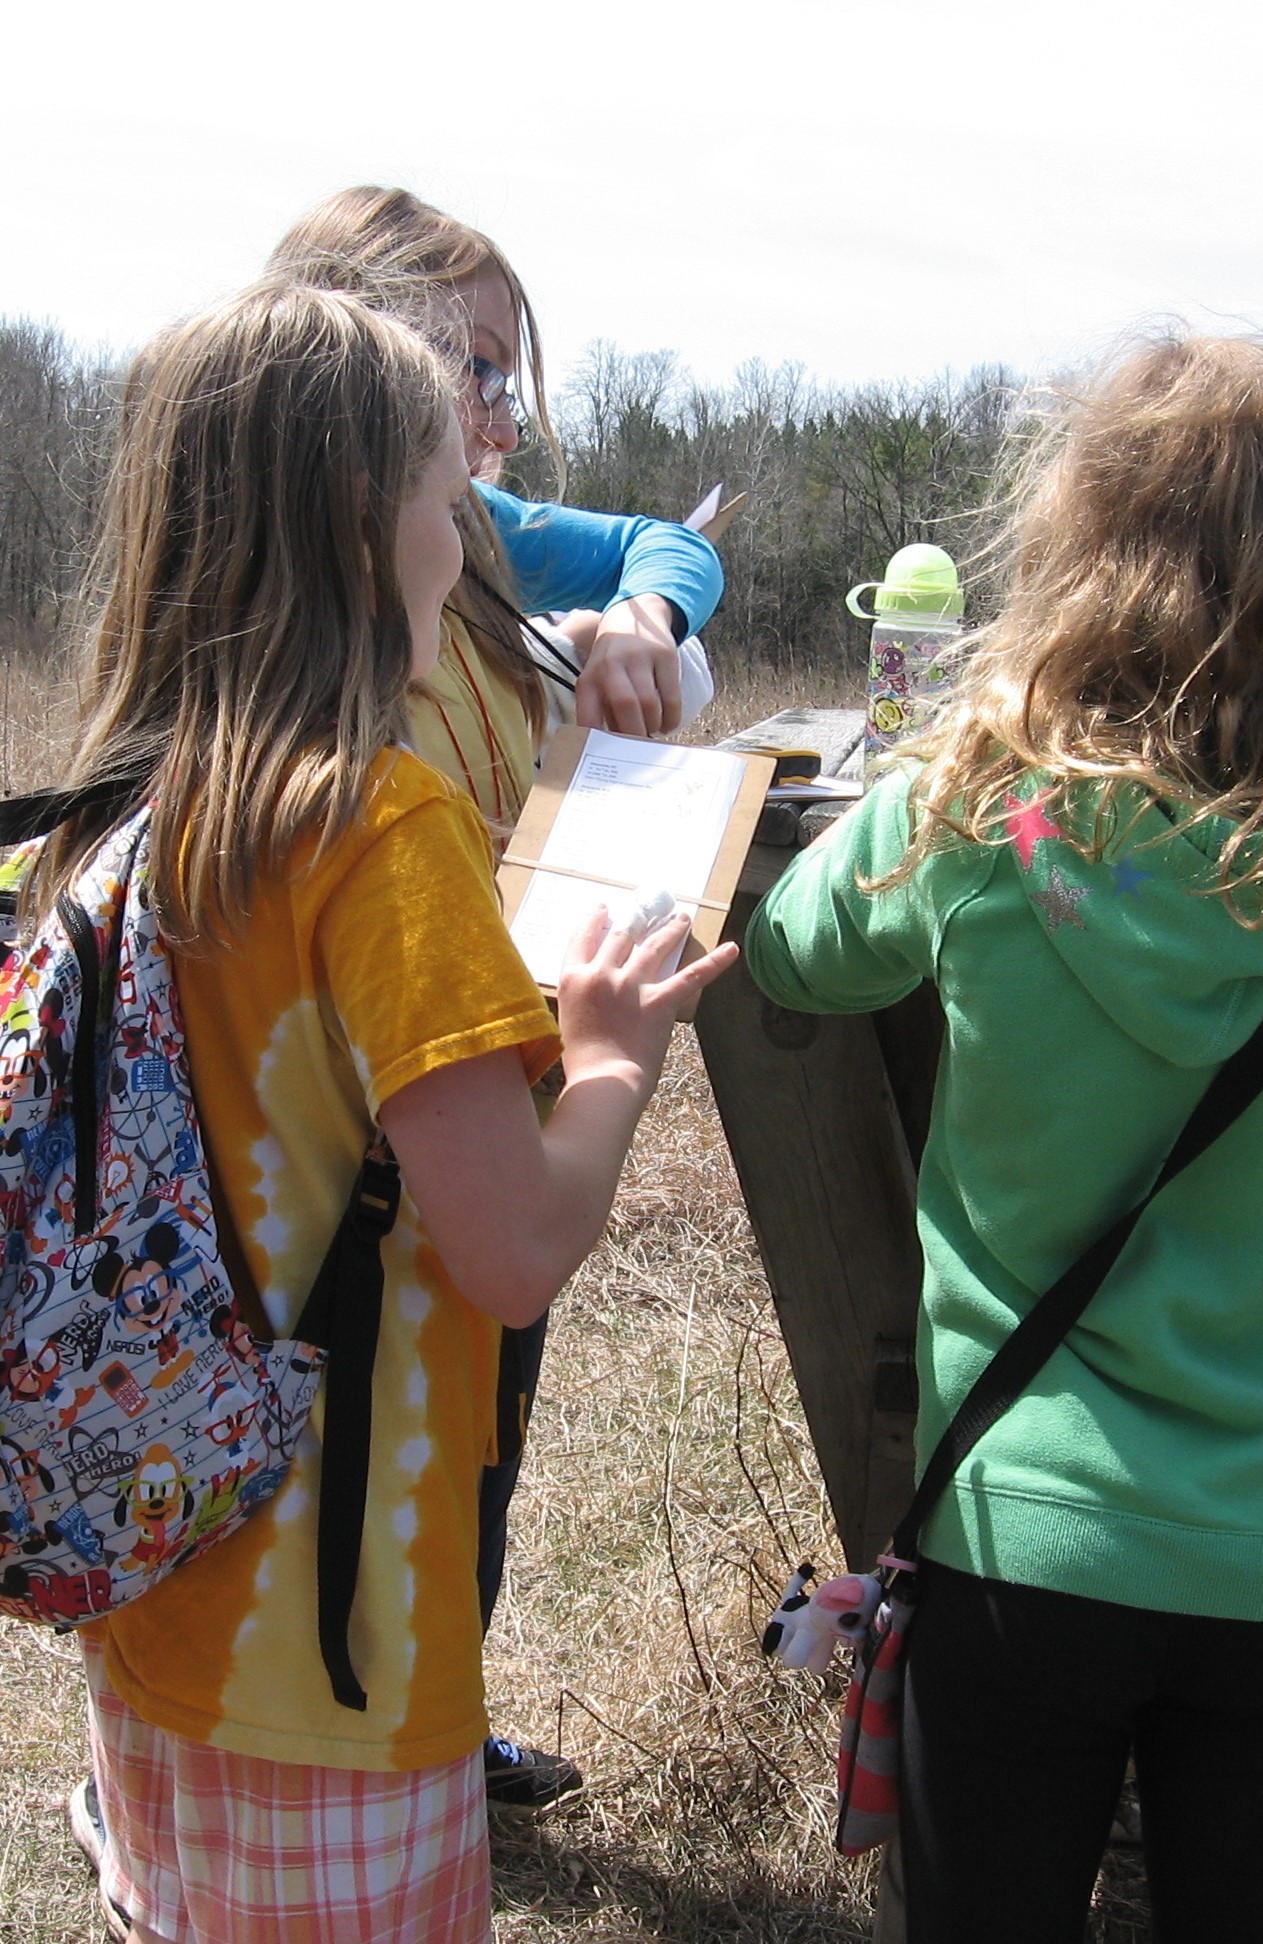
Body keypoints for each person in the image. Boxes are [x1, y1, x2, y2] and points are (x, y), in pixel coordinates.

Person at [40, 281, 733, 1944]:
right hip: (334, 1636)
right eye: (448, 497)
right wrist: (615, 1052)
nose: (470, 537)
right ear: (374, 528)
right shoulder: (383, 830)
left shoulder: (135, 810)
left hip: (155, 1573)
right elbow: (510, 1250)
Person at [745, 334, 1263, 1944]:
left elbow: (793, 948)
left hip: (1018, 1529)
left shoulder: (977, 804)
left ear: (1077, 549)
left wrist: (938, 754)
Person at [265, 185, 725, 1802]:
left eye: (511, 376)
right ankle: (354, 1751)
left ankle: (434, 1722)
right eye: (471, 368)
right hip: (362, 1167)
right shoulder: (321, 629)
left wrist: (642, 620)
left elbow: (670, 542)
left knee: (470, 1452)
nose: (501, 416)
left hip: (478, 1109)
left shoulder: (475, 538)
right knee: (327, 1481)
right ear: (354, 361)